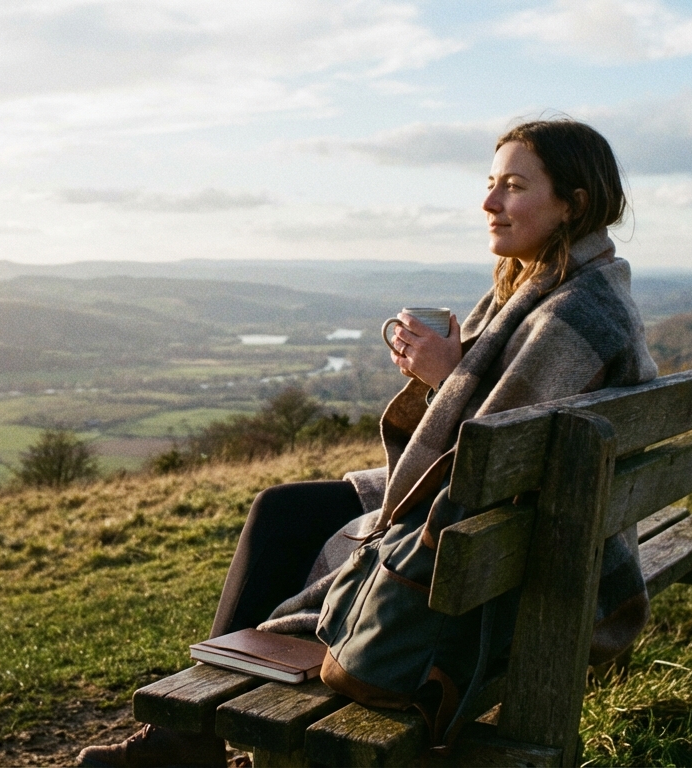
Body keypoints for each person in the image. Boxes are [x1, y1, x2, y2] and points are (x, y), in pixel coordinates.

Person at [78, 118, 657, 768]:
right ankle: (193, 736)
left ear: (573, 203)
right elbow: (517, 427)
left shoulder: (571, 312)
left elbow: (495, 459)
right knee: (282, 508)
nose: (490, 202)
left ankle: (191, 739)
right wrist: (461, 369)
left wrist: (447, 375)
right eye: (490, 183)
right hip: (520, 523)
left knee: (295, 521)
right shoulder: (561, 287)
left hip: (517, 547)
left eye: (514, 186)